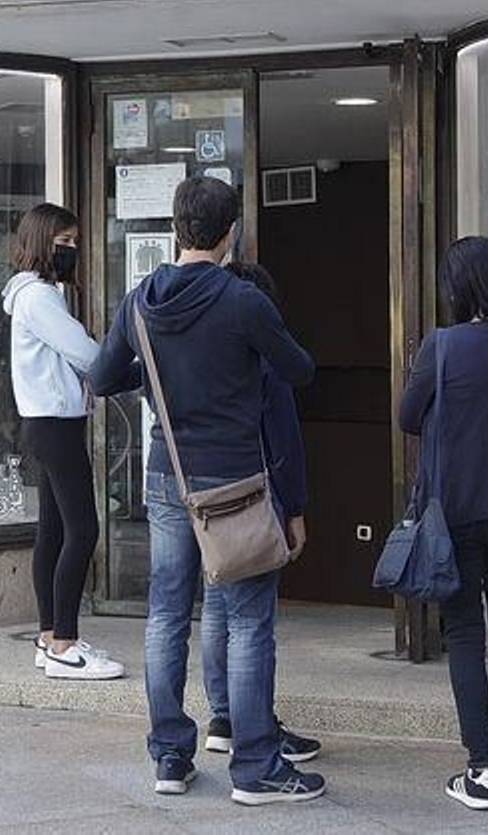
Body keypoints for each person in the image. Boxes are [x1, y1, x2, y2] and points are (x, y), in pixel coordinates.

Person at [89, 177, 322, 806]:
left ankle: (170, 756)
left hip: (167, 475)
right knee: (248, 622)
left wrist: (163, 370)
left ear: (175, 229)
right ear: (229, 233)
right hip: (236, 482)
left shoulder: (139, 301)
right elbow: (298, 369)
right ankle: (254, 768)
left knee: (167, 613)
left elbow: (104, 375)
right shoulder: (243, 302)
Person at [398, 236, 488, 812]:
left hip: (455, 508)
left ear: (455, 289)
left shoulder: (443, 346)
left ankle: (481, 770)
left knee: (463, 631)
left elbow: (408, 417)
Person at [201, 262, 320, 767]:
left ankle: (222, 719)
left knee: (214, 607)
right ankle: (258, 732)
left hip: (201, 494)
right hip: (253, 496)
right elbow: (285, 442)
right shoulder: (267, 361)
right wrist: (294, 510)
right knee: (252, 621)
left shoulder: (206, 354)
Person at [2, 203, 124, 681]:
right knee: (83, 530)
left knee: (52, 532)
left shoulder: (34, 294)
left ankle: (49, 635)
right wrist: (125, 369)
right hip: (55, 425)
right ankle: (64, 644)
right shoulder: (39, 298)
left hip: (46, 424)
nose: (71, 251)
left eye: (75, 243)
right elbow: (86, 352)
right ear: (40, 242)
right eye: (64, 243)